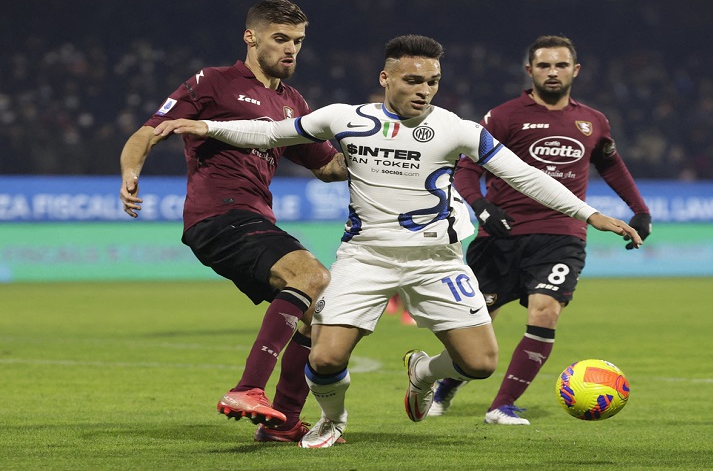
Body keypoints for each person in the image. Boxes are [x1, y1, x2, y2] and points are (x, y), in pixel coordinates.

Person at [152, 34, 643, 449]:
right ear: (386, 78)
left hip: (437, 260)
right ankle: (332, 420)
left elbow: (525, 175)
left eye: (432, 82)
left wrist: (590, 213)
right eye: (413, 80)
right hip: (366, 257)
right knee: (325, 357)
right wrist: (206, 126)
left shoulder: (456, 129)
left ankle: (423, 373)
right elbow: (269, 134)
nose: (424, 91)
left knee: (480, 364)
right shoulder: (343, 119)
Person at [118, 0, 347, 443]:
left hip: (254, 217)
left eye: (298, 41)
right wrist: (131, 172)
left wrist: (380, 149)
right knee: (311, 275)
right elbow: (148, 131)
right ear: (251, 37)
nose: (291, 49)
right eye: (280, 39)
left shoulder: (293, 103)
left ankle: (281, 424)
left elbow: (328, 167)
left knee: (321, 312)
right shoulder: (214, 82)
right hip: (219, 214)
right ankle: (247, 388)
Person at [428, 35, 652, 425]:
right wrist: (481, 207)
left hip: (562, 235)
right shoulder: (503, 117)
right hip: (501, 235)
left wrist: (640, 210)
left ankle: (501, 406)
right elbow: (466, 170)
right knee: (475, 329)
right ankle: (445, 387)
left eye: (560, 65)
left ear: (575, 70)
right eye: (544, 65)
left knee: (545, 311)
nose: (552, 72)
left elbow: (610, 165)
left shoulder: (593, 122)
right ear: (529, 70)